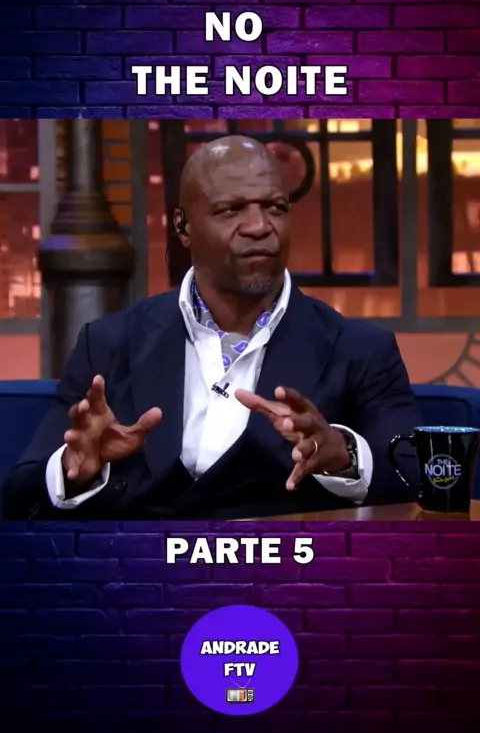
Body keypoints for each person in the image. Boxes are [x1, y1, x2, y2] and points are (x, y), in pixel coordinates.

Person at [2, 135, 422, 520]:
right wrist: (74, 471)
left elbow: (418, 478)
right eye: (231, 209)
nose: (259, 226)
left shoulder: (360, 350)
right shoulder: (109, 344)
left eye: (275, 207)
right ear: (183, 227)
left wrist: (344, 457)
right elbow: (21, 495)